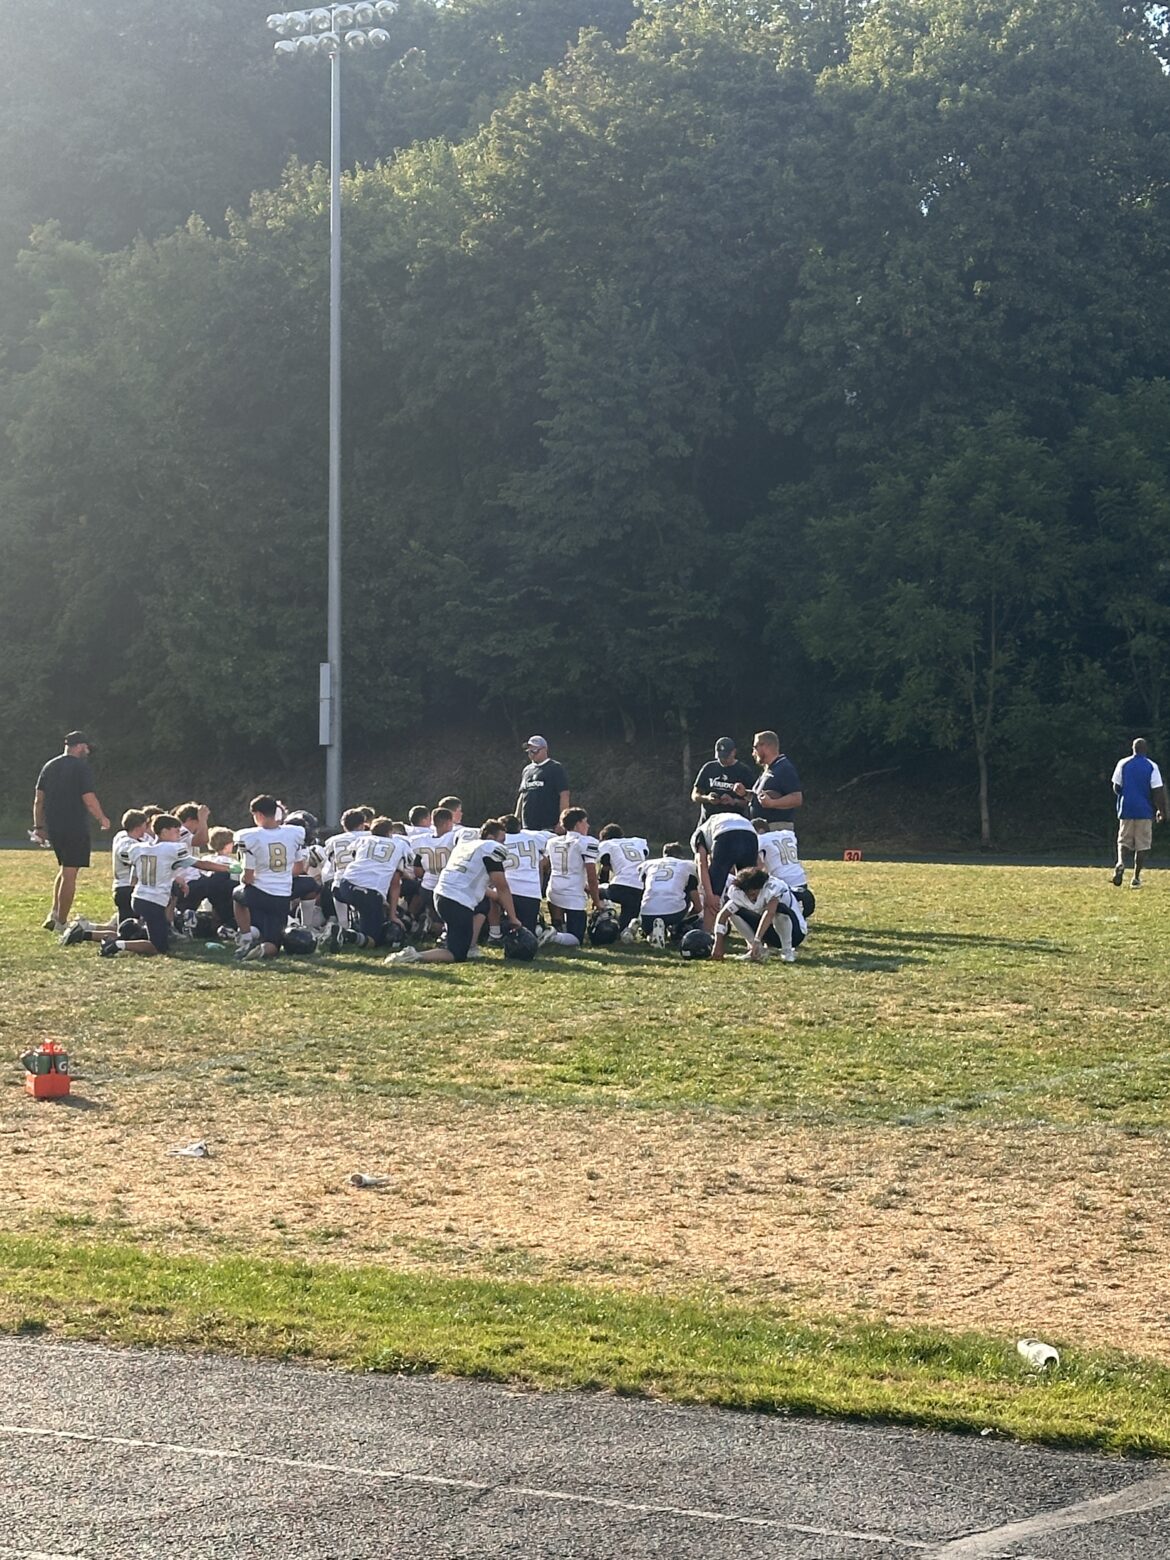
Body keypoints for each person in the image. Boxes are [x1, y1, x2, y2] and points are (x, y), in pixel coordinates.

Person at [385, 820, 522, 965]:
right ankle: (414, 956)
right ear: (490, 838)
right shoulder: (490, 848)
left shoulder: (466, 846)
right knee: (457, 954)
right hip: (457, 900)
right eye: (502, 840)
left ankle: (462, 944)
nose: (504, 844)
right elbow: (502, 887)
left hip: (442, 894)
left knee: (479, 910)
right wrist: (513, 918)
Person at [31, 731, 110, 930]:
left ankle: (54, 913)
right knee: (70, 873)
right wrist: (101, 817)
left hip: (54, 826)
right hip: (74, 826)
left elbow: (39, 800)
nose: (88, 751)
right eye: (87, 747)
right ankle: (62, 922)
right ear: (80, 746)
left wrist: (39, 827)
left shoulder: (49, 766)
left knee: (65, 868)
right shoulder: (81, 768)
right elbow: (89, 798)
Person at [99, 814, 197, 958]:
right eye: (176, 831)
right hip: (137, 893)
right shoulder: (133, 843)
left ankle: (90, 934)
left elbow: (142, 865)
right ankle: (112, 942)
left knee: (135, 931)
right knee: (154, 944)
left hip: (136, 893)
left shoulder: (139, 844)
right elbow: (128, 858)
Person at [232, 795, 307, 961]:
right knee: (273, 945)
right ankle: (262, 949)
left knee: (237, 894)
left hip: (258, 894)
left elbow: (248, 878)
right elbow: (299, 868)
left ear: (258, 815)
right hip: (282, 897)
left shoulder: (249, 836)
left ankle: (246, 937)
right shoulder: (295, 832)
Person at [712, 866, 806, 964]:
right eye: (747, 894)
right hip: (769, 933)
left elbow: (769, 913)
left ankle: (787, 951)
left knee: (779, 910)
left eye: (753, 894)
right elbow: (723, 915)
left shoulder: (773, 887)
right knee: (734, 913)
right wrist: (717, 943)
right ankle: (758, 950)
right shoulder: (738, 892)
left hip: (795, 932)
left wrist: (757, 940)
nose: (750, 898)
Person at [541, 807, 601, 947]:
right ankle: (553, 936)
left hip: (554, 891)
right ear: (578, 824)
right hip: (573, 895)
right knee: (576, 939)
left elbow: (544, 865)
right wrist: (596, 900)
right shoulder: (586, 842)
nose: (588, 825)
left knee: (561, 927)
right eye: (585, 822)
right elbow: (592, 876)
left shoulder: (552, 842)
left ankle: (553, 931)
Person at [1111, 738, 1167, 888]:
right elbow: (1157, 790)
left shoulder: (1123, 763)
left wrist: (1125, 794)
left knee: (1123, 840)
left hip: (1126, 809)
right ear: (1146, 749)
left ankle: (1120, 863)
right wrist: (1161, 811)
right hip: (1144, 810)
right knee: (1142, 845)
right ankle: (1135, 878)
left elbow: (1116, 787)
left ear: (1133, 748)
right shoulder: (1152, 766)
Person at [693, 809, 760, 930]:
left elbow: (702, 864)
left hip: (725, 835)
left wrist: (709, 895)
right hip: (750, 833)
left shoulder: (699, 834)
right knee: (751, 892)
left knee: (713, 897)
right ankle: (758, 935)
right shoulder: (715, 823)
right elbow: (758, 865)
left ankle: (706, 935)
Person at [637, 843, 701, 947]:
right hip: (673, 913)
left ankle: (650, 931)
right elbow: (698, 907)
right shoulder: (687, 865)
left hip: (647, 913)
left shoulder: (649, 864)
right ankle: (673, 927)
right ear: (681, 856)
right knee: (686, 892)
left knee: (651, 893)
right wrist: (686, 920)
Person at [754, 818, 815, 920]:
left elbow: (758, 865)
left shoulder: (761, 839)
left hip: (783, 883)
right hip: (801, 880)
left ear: (759, 831)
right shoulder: (788, 834)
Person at [596, 824, 650, 931]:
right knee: (625, 923)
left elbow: (605, 868)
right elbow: (643, 855)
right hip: (641, 888)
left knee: (597, 890)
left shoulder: (607, 844)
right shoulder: (638, 842)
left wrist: (601, 886)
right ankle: (628, 929)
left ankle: (605, 915)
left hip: (620, 887)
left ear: (605, 838)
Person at [690, 738, 756, 823]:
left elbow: (752, 801)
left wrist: (733, 801)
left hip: (733, 822)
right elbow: (695, 795)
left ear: (734, 752)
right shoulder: (708, 768)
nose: (722, 760)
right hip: (709, 821)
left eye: (725, 757)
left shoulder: (744, 771)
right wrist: (708, 798)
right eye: (720, 757)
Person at [749, 730, 803, 831]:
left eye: (755, 747)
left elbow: (797, 798)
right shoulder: (769, 769)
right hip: (762, 829)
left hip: (776, 829)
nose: (753, 753)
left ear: (766, 746)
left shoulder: (784, 768)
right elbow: (759, 796)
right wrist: (744, 793)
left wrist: (772, 803)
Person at [516, 736, 570, 832]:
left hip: (548, 826)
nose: (531, 754)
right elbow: (522, 795)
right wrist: (516, 820)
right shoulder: (527, 770)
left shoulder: (555, 768)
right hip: (527, 827)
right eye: (529, 751)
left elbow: (564, 795)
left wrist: (562, 821)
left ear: (545, 749)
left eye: (535, 750)